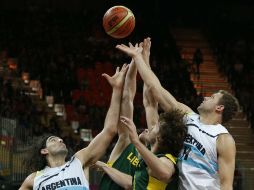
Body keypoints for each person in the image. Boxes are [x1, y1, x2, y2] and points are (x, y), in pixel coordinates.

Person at [116, 38, 239, 190]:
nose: (206, 97)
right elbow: (155, 89)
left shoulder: (223, 139)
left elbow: (226, 185)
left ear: (219, 108)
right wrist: (140, 58)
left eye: (212, 97)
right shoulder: (188, 117)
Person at [19, 64, 129, 190]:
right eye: (53, 140)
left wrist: (116, 89)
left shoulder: (78, 161)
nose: (60, 140)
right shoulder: (33, 179)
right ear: (44, 151)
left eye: (60, 139)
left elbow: (110, 130)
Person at [95, 40, 187, 190]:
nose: (151, 125)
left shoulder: (165, 158)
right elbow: (144, 102)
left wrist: (106, 167)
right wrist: (140, 60)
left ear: (160, 137)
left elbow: (132, 182)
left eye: (156, 126)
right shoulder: (130, 143)